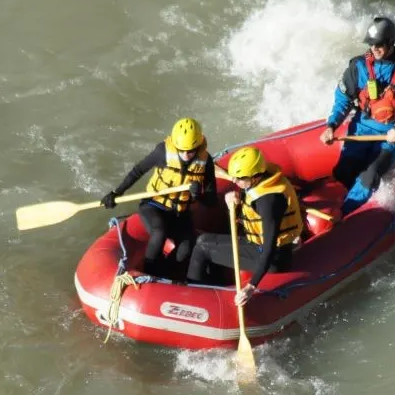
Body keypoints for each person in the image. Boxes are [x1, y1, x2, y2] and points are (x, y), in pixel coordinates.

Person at [319, 16, 395, 215]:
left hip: (391, 133)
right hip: (362, 127)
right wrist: (332, 125)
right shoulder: (358, 67)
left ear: (391, 43)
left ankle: (344, 214)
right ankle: (331, 203)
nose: (375, 48)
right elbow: (343, 98)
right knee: (344, 171)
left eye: (379, 44)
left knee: (370, 174)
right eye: (371, 44)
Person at [185, 146, 303, 306]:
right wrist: (237, 201)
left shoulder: (268, 203)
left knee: (202, 248)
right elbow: (252, 211)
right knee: (203, 240)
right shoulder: (263, 179)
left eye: (239, 178)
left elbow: (269, 248)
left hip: (273, 259)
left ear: (255, 177)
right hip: (257, 245)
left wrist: (251, 286)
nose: (234, 181)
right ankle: (214, 287)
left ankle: (193, 299)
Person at [100, 117, 217, 275]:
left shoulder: (206, 162)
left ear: (198, 145)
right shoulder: (162, 151)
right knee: (159, 231)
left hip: (180, 213)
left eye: (190, 151)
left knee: (187, 247)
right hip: (154, 205)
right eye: (181, 150)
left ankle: (165, 274)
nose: (186, 154)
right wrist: (116, 192)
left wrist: (197, 194)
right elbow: (138, 170)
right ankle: (149, 271)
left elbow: (211, 201)